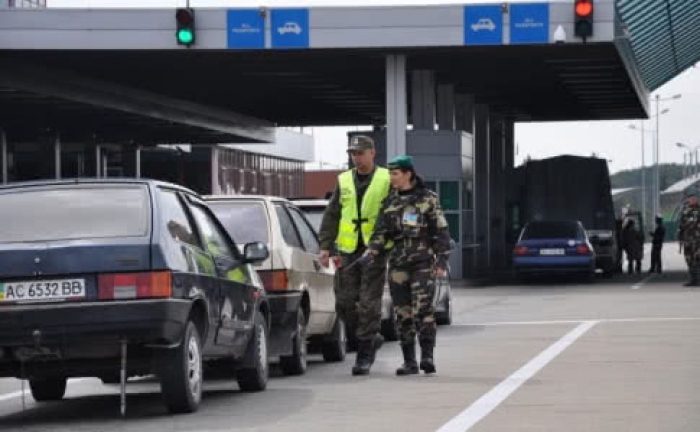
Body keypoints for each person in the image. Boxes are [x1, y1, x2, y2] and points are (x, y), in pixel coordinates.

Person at [358, 155, 451, 376]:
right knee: (403, 313)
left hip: (422, 262)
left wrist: (442, 260)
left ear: (408, 174)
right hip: (399, 263)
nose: (391, 177)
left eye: (395, 173)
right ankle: (409, 361)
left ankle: (427, 357)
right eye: (390, 173)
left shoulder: (428, 199)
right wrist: (371, 252)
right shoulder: (390, 202)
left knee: (423, 310)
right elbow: (380, 233)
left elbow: (441, 231)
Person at [317, 135, 392, 376]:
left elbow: (391, 214)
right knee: (345, 303)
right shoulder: (344, 180)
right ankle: (371, 337)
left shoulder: (385, 178)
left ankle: (364, 353)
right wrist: (325, 246)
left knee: (369, 302)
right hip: (348, 250)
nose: (356, 158)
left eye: (360, 153)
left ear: (373, 153)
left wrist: (383, 244)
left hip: (374, 250)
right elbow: (332, 214)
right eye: (353, 154)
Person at [678, 188, 700, 286]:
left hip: (697, 240)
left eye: (693, 198)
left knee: (698, 259)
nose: (691, 200)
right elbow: (681, 225)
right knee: (689, 260)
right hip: (687, 240)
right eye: (690, 198)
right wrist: (680, 238)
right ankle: (693, 280)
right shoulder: (685, 211)